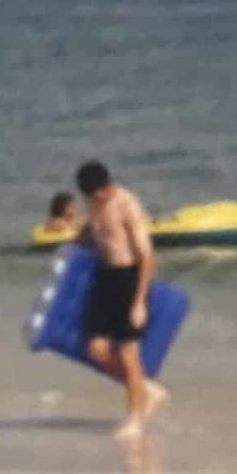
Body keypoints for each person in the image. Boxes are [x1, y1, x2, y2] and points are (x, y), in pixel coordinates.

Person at [75, 159, 166, 440]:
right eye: (88, 198)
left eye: (95, 196)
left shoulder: (127, 205)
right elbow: (92, 233)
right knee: (96, 349)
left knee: (128, 353)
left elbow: (147, 256)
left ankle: (135, 419)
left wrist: (139, 302)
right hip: (105, 278)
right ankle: (146, 390)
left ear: (105, 188)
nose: (92, 201)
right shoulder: (93, 204)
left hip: (129, 279)